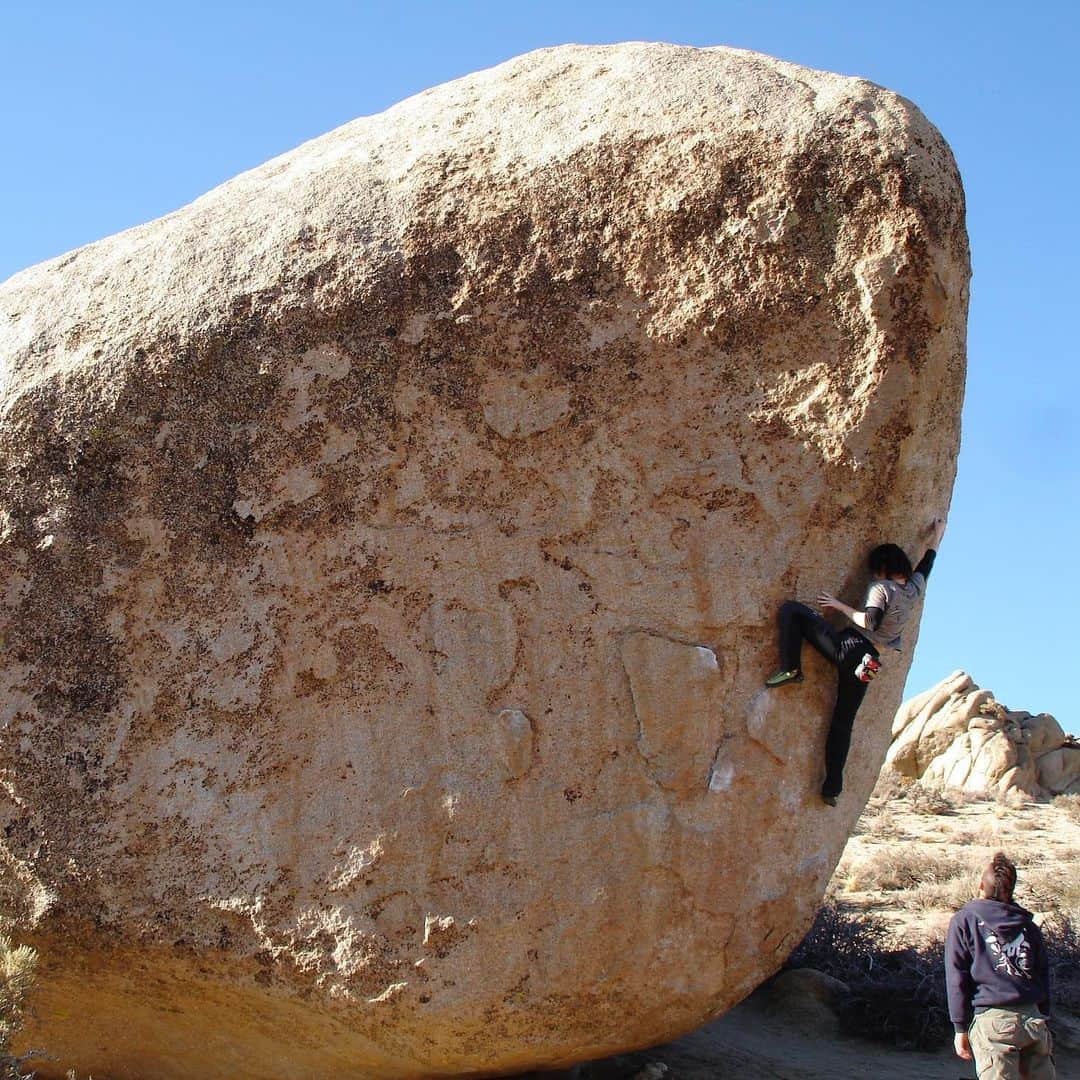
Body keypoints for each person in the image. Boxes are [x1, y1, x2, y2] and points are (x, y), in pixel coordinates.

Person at [764, 516, 945, 805]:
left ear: (883, 568)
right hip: (870, 664)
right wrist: (935, 538)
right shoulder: (912, 590)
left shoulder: (880, 588)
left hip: (850, 648)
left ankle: (791, 668)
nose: (872, 574)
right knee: (842, 723)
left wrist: (838, 606)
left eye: (875, 569)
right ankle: (832, 789)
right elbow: (927, 565)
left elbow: (869, 620)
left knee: (791, 611)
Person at [946, 852, 1055, 1079]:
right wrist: (1044, 1016)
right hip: (1033, 1022)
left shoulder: (964, 921)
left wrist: (959, 1027)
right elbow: (1042, 975)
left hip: (993, 1024)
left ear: (980, 886)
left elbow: (956, 977)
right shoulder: (1027, 925)